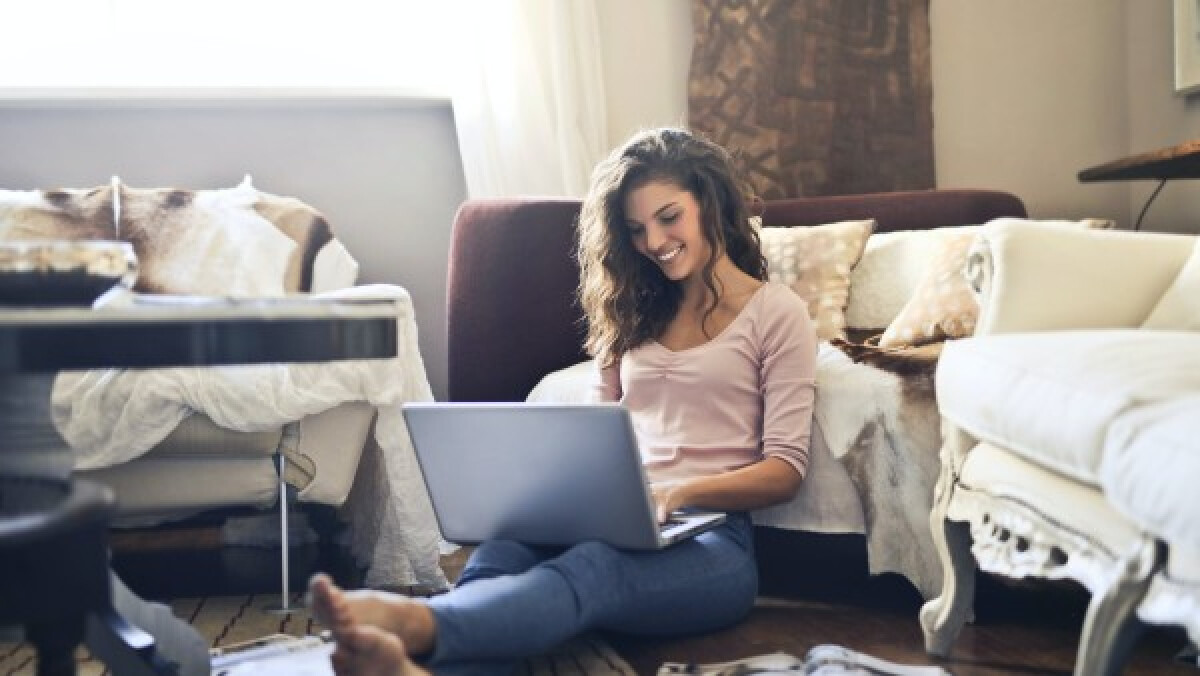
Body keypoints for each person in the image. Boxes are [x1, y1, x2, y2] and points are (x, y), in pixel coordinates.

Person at [308, 127, 818, 675]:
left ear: (710, 202)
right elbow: (595, 439)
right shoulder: (634, 312)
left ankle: (419, 624)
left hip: (714, 543)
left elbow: (784, 470)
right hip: (614, 517)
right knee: (503, 551)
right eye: (636, 228)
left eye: (669, 217)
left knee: (589, 569)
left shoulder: (776, 313)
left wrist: (676, 491)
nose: (653, 241)